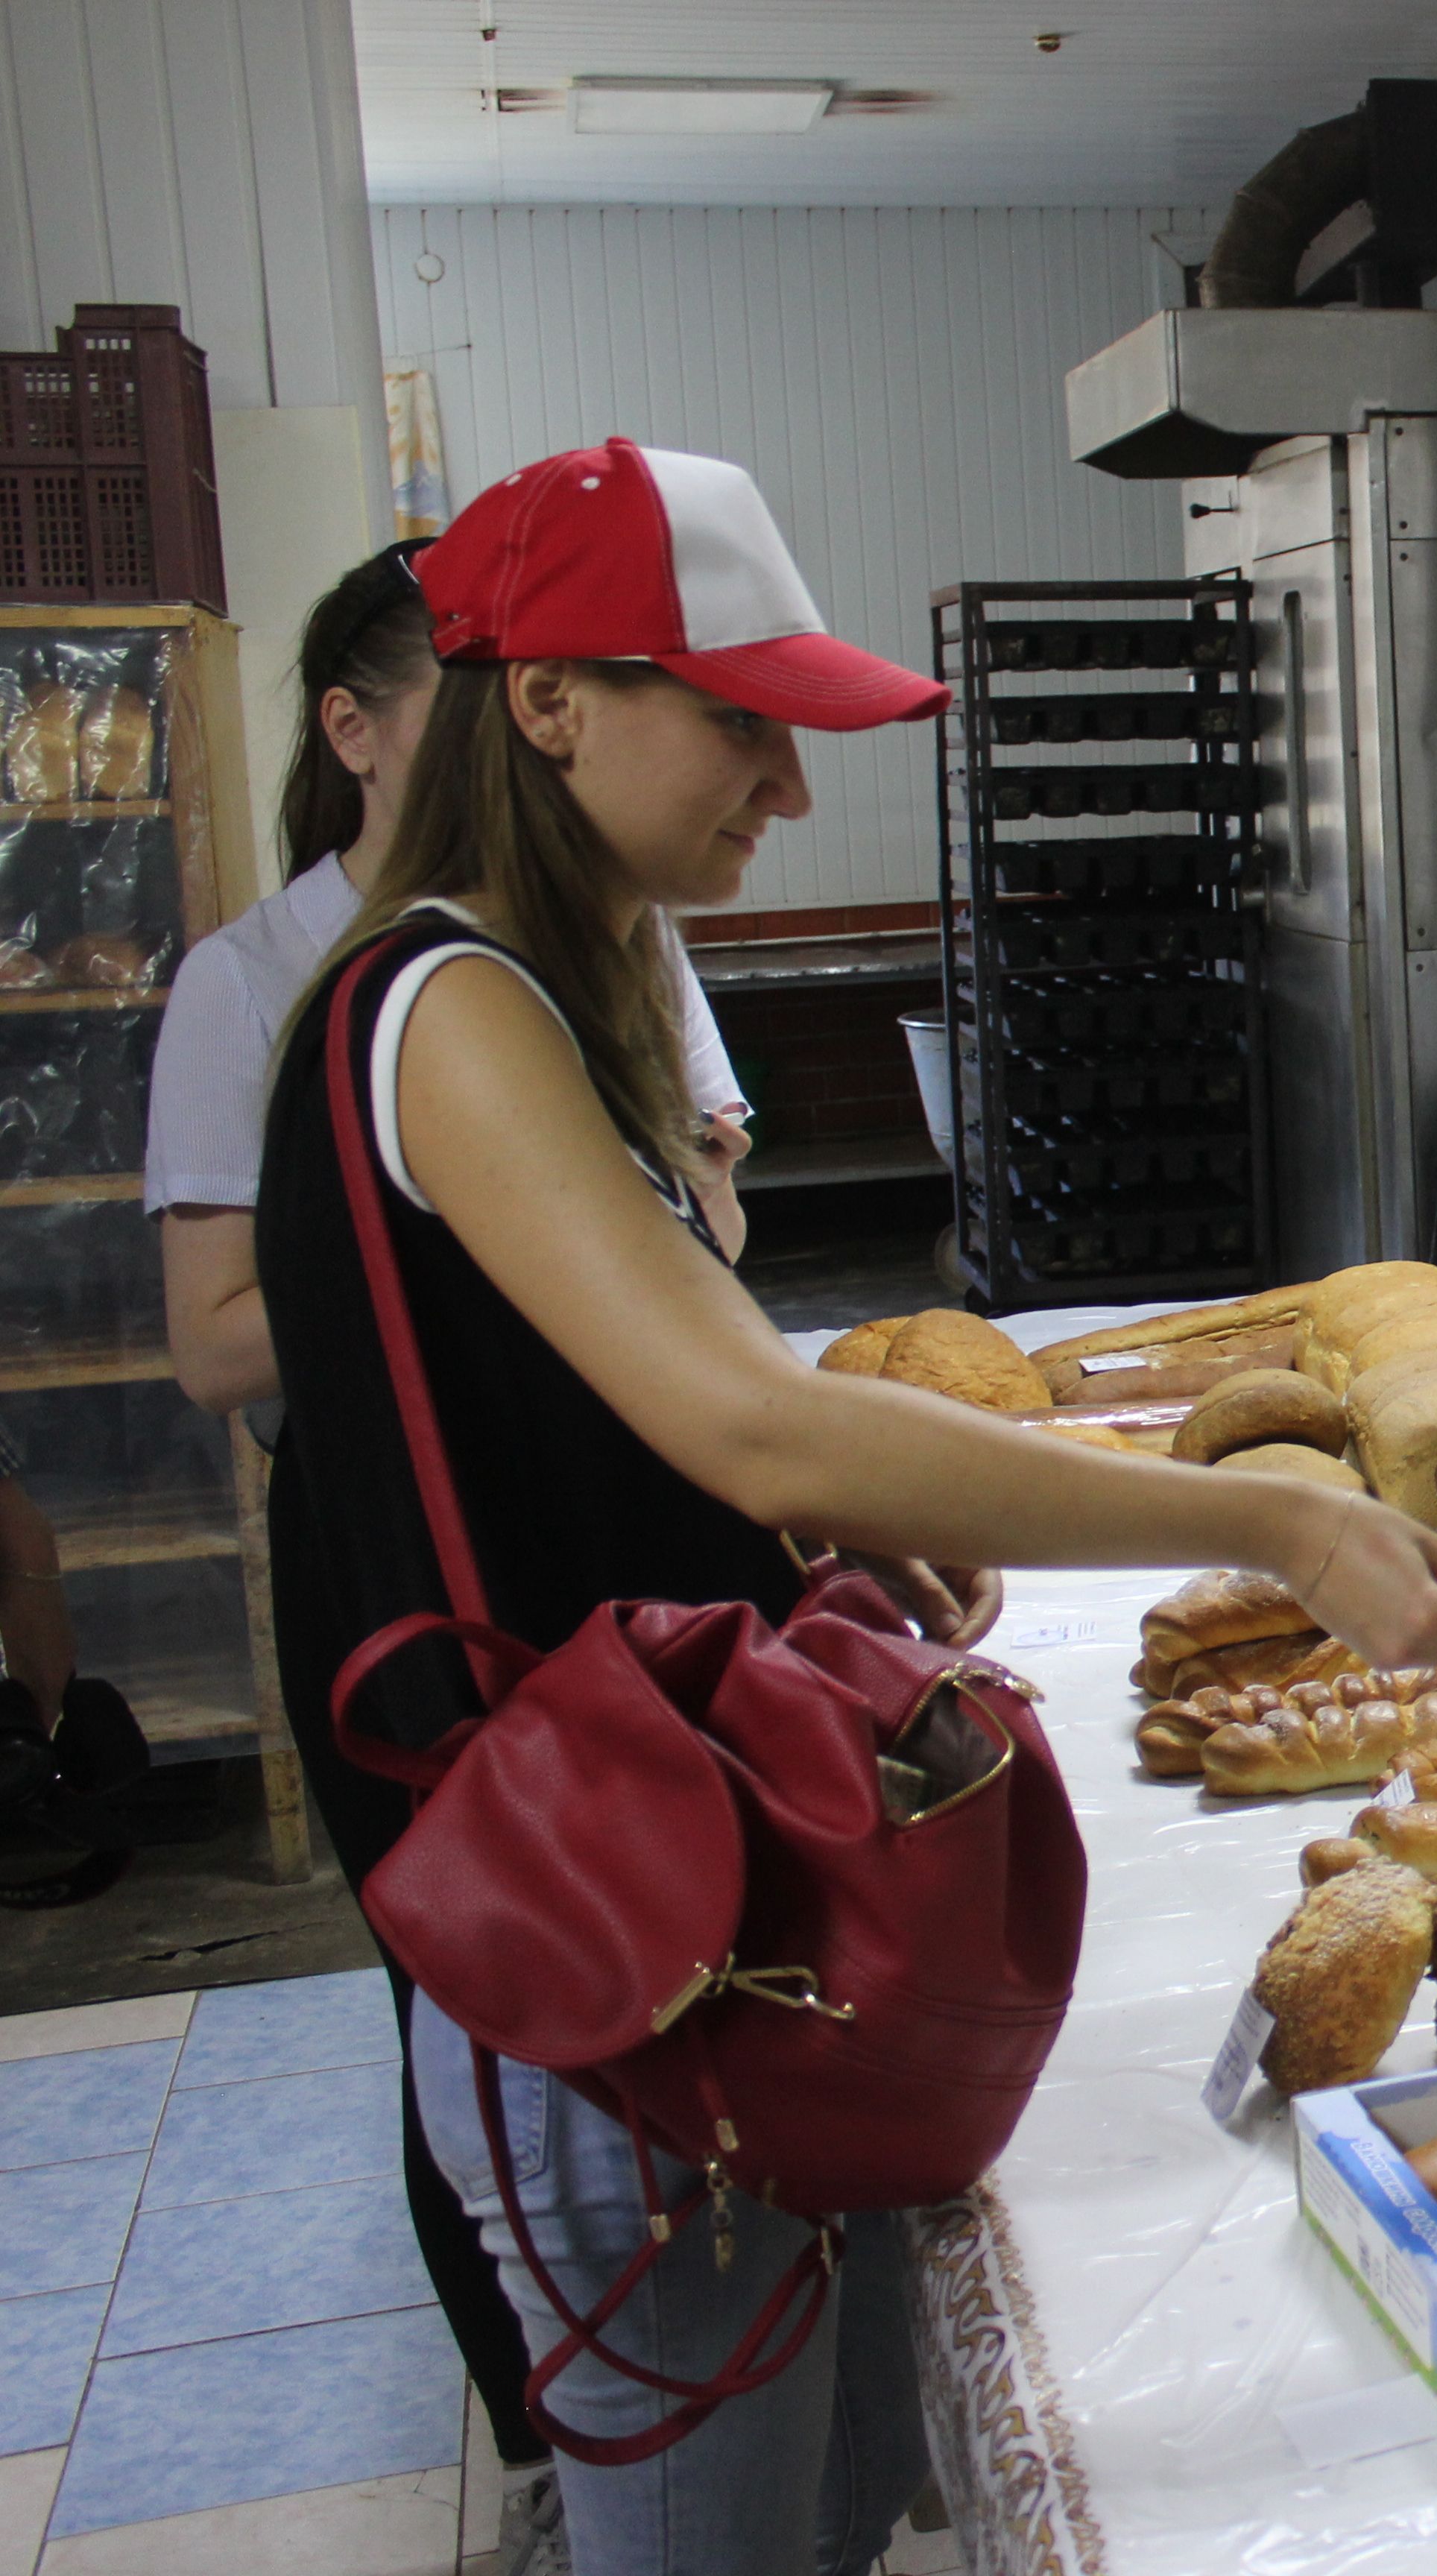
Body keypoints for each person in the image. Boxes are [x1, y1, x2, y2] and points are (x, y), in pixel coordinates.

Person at [250, 438, 1437, 2576]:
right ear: (551, 703)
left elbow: (641, 1437)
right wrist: (1279, 1530)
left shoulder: (551, 1003)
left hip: (695, 1913)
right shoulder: (450, 1006)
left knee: (829, 2499)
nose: (784, 783)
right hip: (603, 1951)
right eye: (737, 718)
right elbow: (753, 1425)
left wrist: (833, 1543)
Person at [140, 540, 763, 2545]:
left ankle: (650, 2433)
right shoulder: (366, 992)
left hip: (621, 1568)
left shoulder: (587, 947)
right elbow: (231, 1340)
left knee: (687, 2036)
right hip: (444, 1578)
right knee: (517, 2008)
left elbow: (708, 1238)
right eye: (734, 726)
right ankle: (553, 2447)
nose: (774, 786)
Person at [151, 542, 753, 1420]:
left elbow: (717, 1235)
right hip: (405, 1491)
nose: (519, 755)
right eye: (471, 719)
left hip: (624, 1441)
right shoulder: (250, 978)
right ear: (352, 731)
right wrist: (495, 1224)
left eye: (538, 713)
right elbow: (214, 1354)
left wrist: (697, 1184)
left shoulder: (625, 930)